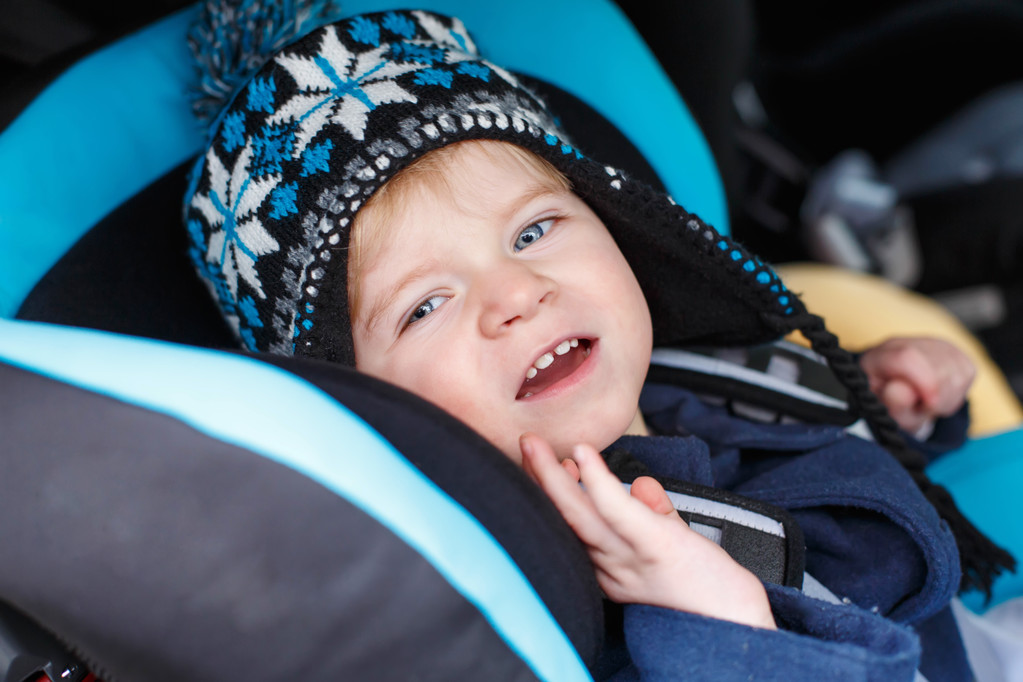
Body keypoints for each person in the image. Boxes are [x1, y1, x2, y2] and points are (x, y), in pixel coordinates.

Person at [183, 8, 1011, 679]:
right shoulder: (515, 601)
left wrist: (890, 402)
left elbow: (809, 458)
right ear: (368, 403)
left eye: (534, 229)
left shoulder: (695, 381)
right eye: (424, 306)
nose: (514, 296)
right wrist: (715, 626)